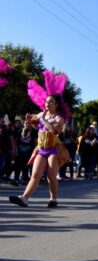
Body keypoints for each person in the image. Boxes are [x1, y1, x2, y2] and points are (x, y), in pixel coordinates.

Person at [9, 71, 71, 208]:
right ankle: (24, 198)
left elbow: (54, 131)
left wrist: (43, 120)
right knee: (35, 175)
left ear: (56, 105)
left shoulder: (59, 118)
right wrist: (28, 123)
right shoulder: (41, 114)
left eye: (51, 102)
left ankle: (53, 199)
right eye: (47, 101)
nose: (47, 103)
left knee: (51, 177)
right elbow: (29, 129)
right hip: (41, 149)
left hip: (54, 150)